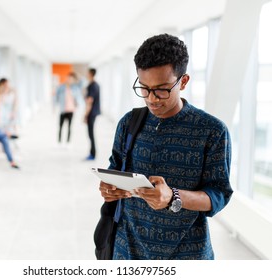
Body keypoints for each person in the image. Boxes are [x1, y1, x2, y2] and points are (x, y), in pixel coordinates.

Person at [98, 34, 233, 260]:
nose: (151, 99)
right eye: (144, 88)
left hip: (187, 255)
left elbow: (218, 196)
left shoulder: (212, 131)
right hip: (126, 250)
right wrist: (110, 187)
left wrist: (173, 196)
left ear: (183, 81)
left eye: (161, 89)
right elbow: (115, 169)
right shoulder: (128, 123)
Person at [55, 72, 82, 146]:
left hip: (71, 110)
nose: (70, 80)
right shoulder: (61, 87)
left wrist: (77, 104)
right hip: (63, 109)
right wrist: (55, 105)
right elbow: (56, 96)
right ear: (67, 78)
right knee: (60, 126)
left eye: (71, 79)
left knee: (69, 127)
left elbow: (78, 97)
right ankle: (59, 142)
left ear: (73, 80)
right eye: (69, 78)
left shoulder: (75, 88)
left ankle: (68, 142)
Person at [84, 68, 101, 160]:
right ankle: (92, 153)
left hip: (91, 112)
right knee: (91, 133)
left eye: (87, 73)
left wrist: (85, 115)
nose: (86, 74)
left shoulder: (92, 85)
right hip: (94, 111)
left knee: (91, 133)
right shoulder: (95, 85)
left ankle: (93, 154)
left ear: (90, 74)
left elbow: (89, 101)